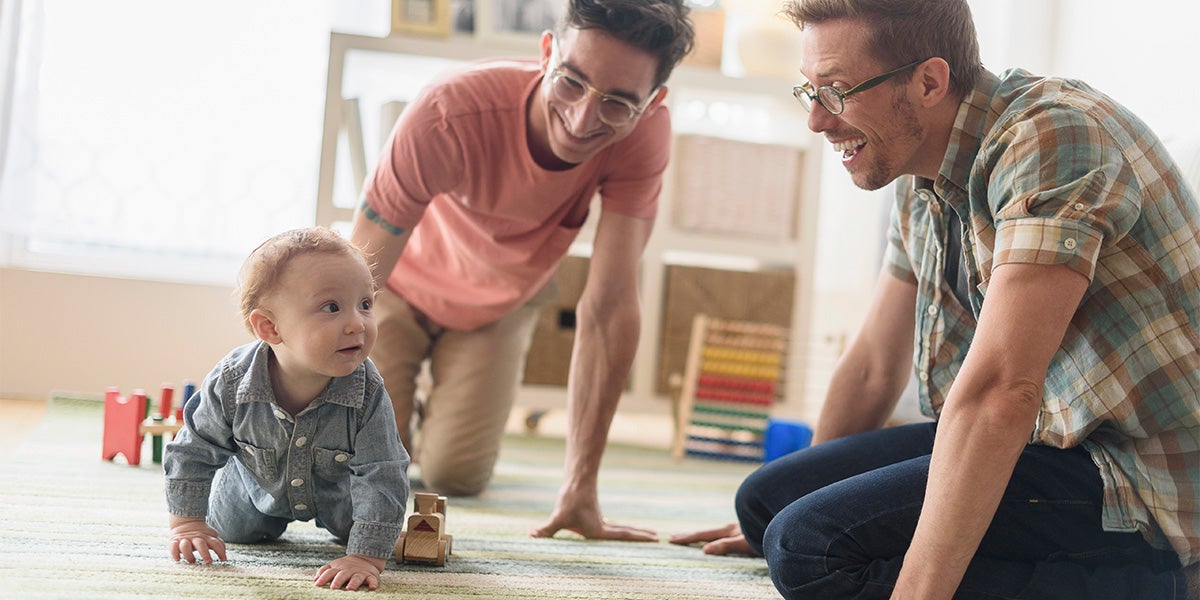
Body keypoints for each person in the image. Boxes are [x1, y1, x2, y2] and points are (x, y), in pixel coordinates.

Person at [671, 0, 1200, 598]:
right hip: (1047, 440)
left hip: (1138, 477)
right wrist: (811, 503)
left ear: (929, 81)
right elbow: (874, 363)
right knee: (767, 504)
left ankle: (1166, 585)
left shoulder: (1052, 139)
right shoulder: (916, 162)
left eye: (836, 91)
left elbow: (1003, 389)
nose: (817, 121)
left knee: (809, 551)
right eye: (808, 91)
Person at [350, 0, 694, 542]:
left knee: (454, 476)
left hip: (500, 304)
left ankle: (422, 412)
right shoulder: (448, 110)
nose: (583, 120)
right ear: (546, 52)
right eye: (572, 82)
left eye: (618, 104)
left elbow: (609, 304)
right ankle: (399, 402)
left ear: (652, 105)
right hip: (398, 289)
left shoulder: (643, 137)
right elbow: (356, 276)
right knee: (365, 460)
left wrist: (580, 486)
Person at [163, 227, 410, 592]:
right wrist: (187, 524)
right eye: (331, 307)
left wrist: (365, 556)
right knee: (234, 531)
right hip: (250, 496)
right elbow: (192, 450)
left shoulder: (367, 390)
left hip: (338, 499)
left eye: (366, 304)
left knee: (365, 532)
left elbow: (383, 471)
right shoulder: (232, 382)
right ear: (270, 327)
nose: (358, 323)